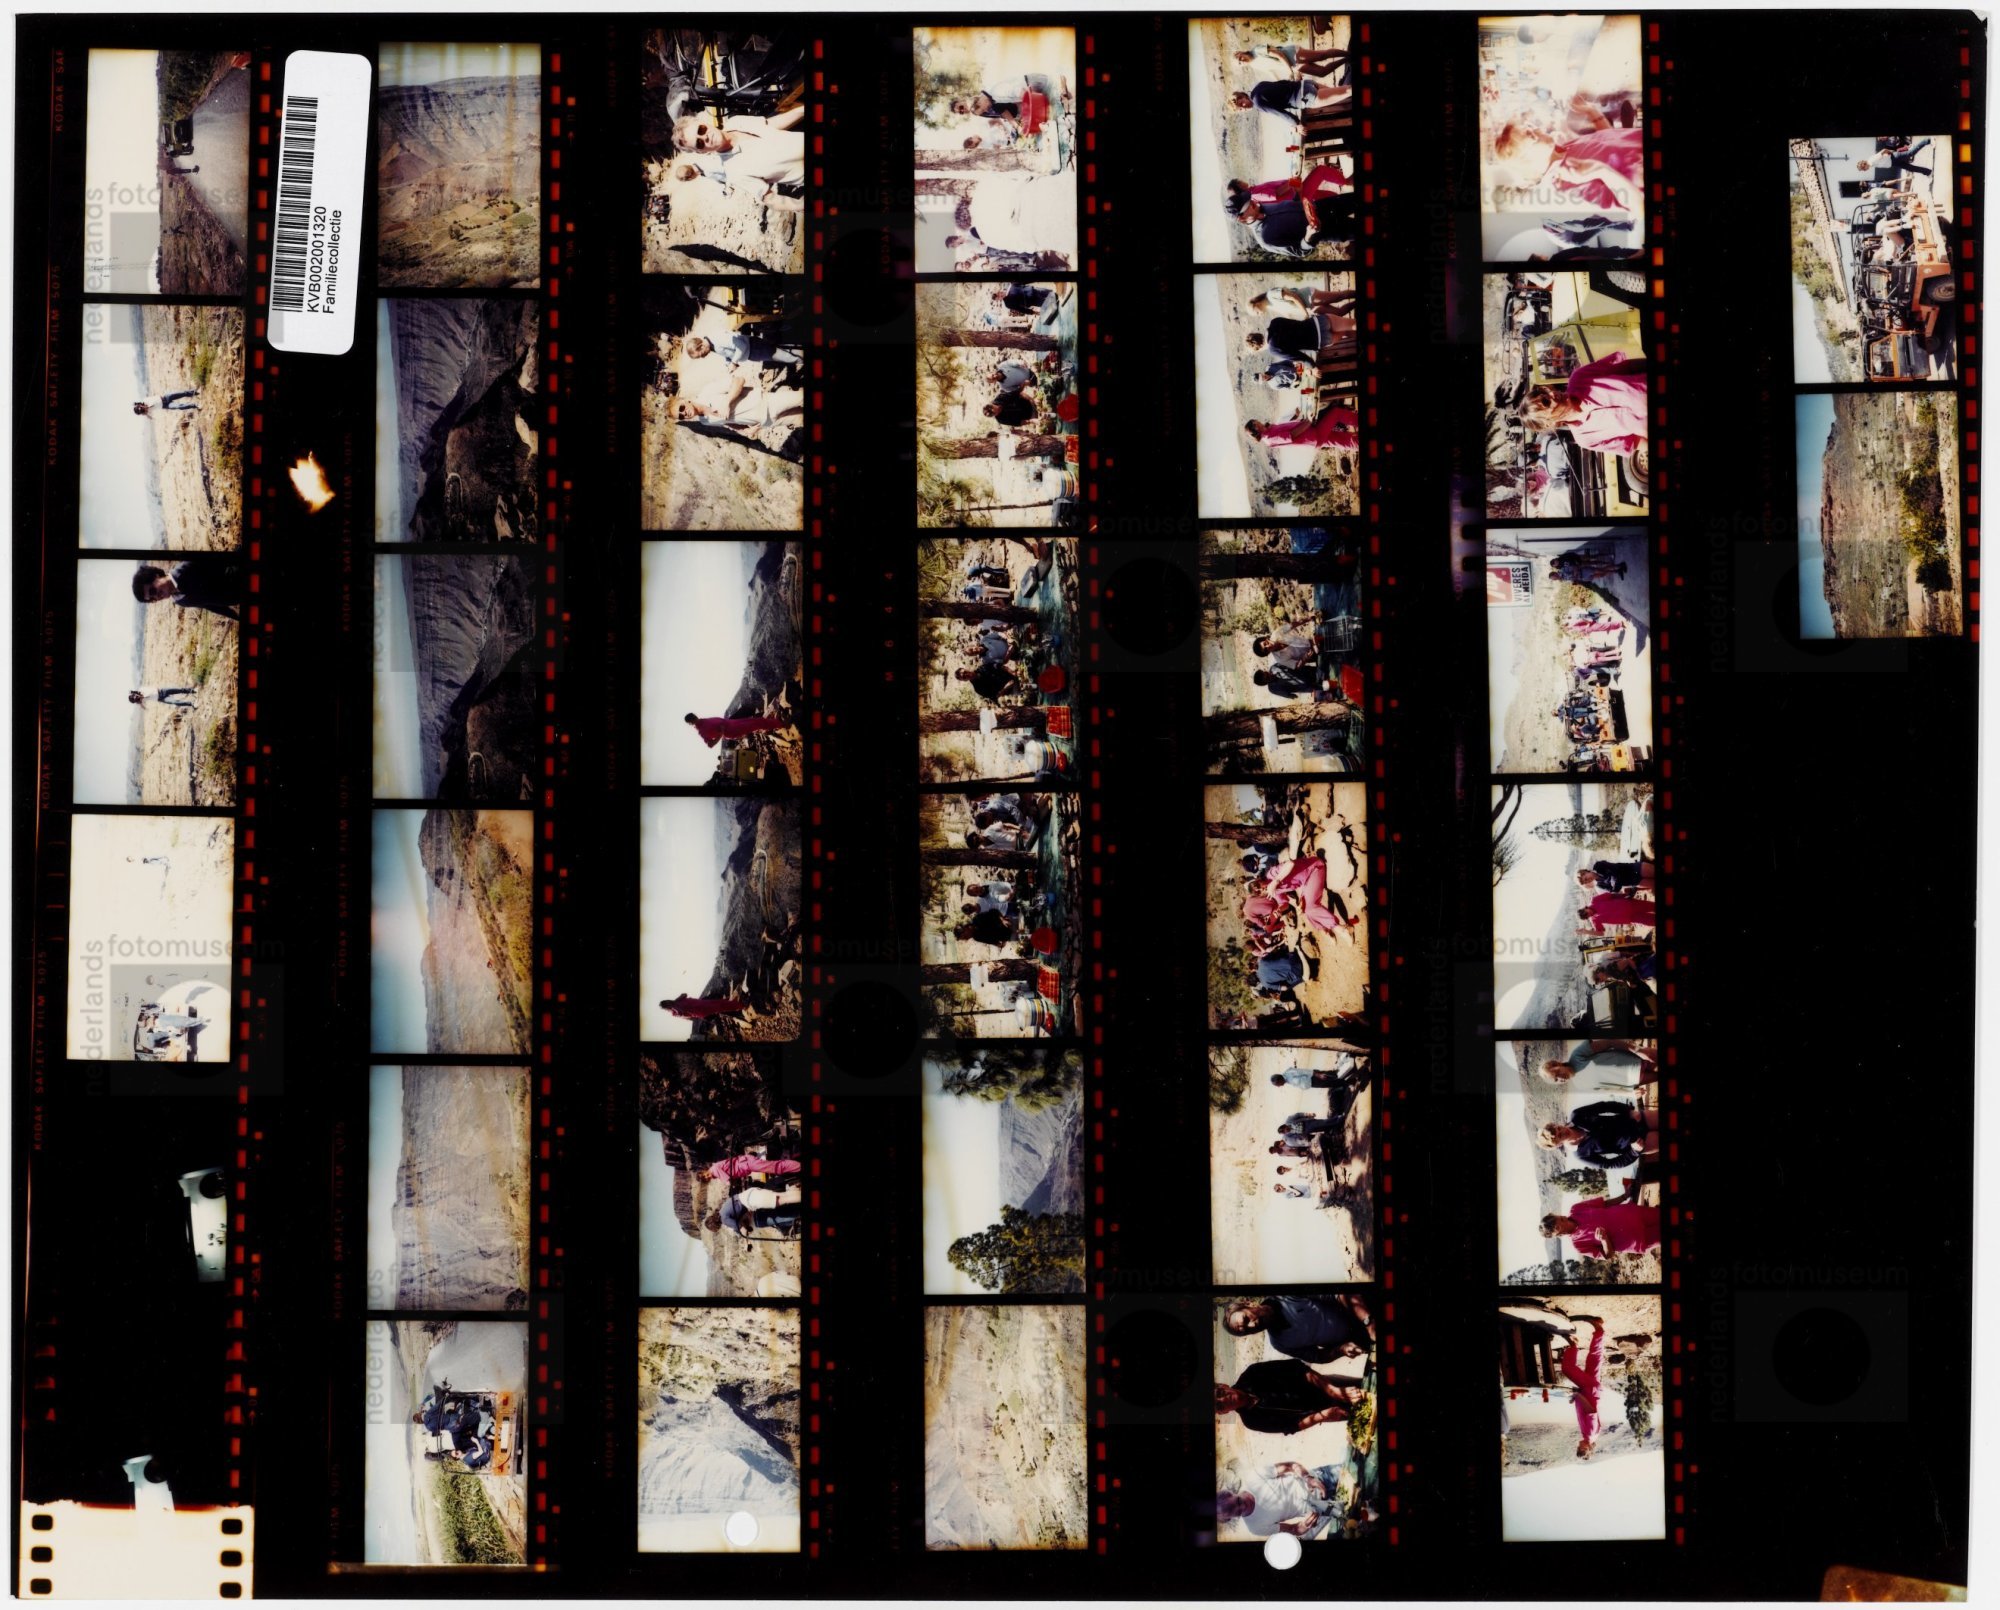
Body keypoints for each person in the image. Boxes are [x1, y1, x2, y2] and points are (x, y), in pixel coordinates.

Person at [1520, 351, 1647, 457]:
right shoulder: (1585, 439)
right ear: (1549, 422)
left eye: (1545, 391)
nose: (1553, 393)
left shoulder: (1579, 377)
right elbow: (1635, 442)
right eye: (1546, 402)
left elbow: (1628, 366)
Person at [672, 106, 806, 205]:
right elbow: (769, 198)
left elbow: (772, 124)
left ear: (705, 122)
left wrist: (802, 110)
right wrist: (799, 205)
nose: (705, 137)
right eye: (699, 143)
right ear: (701, 152)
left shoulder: (735, 122)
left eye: (701, 130)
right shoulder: (734, 172)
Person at [1215, 1357, 1367, 1434]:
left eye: (1220, 1393)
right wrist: (1323, 1416)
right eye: (1220, 1405)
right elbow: (1292, 1426)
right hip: (1325, 1412)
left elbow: (1298, 1368)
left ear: (1223, 1385)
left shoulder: (1252, 1373)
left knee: (1368, 1389)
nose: (1224, 1399)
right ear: (1224, 1412)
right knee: (1368, 1417)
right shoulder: (1251, 1421)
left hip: (1326, 1385)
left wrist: (1333, 1390)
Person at [1224, 1293, 1373, 1363]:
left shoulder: (1285, 1295)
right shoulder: (1279, 1343)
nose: (1252, 1325)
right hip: (1361, 1341)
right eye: (1246, 1330)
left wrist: (1369, 1323)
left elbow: (1340, 1293)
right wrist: (1341, 1350)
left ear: (1248, 1303)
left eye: (1246, 1319)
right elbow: (1318, 1356)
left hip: (1368, 1310)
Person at [1539, 1099, 1650, 1170]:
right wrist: (1634, 1152)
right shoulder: (1581, 1154)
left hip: (1633, 1120)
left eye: (1559, 1128)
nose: (1563, 1131)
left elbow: (1604, 1106)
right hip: (1636, 1142)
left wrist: (1627, 1110)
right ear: (1558, 1144)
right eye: (1560, 1136)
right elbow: (1609, 1164)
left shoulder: (1577, 1116)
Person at [1541, 1195, 1661, 1258]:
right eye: (1557, 1228)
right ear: (1557, 1234)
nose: (1562, 1220)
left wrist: (1624, 1196)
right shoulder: (1579, 1245)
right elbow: (1607, 1255)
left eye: (1558, 1218)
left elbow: (1604, 1204)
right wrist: (1604, 1240)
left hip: (1636, 1213)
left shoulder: (1576, 1208)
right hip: (1638, 1239)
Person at [132, 557, 240, 621]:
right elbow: (211, 605)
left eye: (152, 591)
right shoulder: (180, 600)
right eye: (152, 599)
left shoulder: (186, 566)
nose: (156, 597)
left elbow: (225, 561)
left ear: (155, 575)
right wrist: (236, 617)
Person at [685, 324, 803, 370]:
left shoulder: (717, 339)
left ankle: (802, 361)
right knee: (779, 354)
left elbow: (742, 346)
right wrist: (728, 362)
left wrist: (734, 362)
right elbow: (727, 352)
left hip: (754, 348)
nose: (703, 357)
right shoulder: (712, 346)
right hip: (752, 353)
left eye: (701, 355)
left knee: (781, 356)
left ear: (700, 346)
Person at [1540, 1041, 1654, 1087]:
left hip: (1638, 1060)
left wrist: (1638, 1050)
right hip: (1635, 1079)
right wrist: (1632, 1091)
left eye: (1557, 1073)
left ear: (1558, 1063)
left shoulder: (1577, 1055)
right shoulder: (1580, 1085)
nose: (1560, 1078)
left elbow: (1610, 1042)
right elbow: (1609, 1088)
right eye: (1556, 1080)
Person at [1245, 407, 1360, 452]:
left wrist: (1306, 420)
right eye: (1255, 422)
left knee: (1342, 439)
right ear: (1255, 427)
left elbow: (1291, 427)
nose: (1257, 421)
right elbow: (1292, 435)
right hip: (1314, 435)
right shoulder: (1269, 438)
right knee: (1336, 413)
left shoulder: (1268, 431)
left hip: (1313, 436)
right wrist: (1308, 421)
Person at [685, 711, 788, 747]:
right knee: (756, 723)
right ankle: (782, 724)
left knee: (755, 721)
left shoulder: (702, 721)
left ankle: (775, 723)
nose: (695, 718)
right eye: (692, 719)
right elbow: (710, 745)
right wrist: (720, 734)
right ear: (691, 723)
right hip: (731, 730)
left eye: (694, 716)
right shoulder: (701, 732)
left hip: (732, 723)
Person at [1577, 889, 1655, 932]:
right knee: (1652, 921)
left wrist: (1625, 895)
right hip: (1630, 917)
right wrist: (1586, 932)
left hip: (1629, 904)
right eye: (1587, 916)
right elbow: (1601, 933)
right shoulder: (1595, 920)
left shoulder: (1595, 900)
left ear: (1585, 908)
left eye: (1586, 913)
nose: (1589, 915)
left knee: (1653, 906)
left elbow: (1611, 896)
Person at [661, 993, 750, 1020]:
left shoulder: (677, 1000)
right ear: (667, 1008)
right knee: (720, 1007)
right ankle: (741, 1006)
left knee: (719, 1002)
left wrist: (676, 1000)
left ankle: (737, 1003)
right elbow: (683, 1014)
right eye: (666, 1004)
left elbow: (684, 994)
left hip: (702, 1003)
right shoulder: (674, 1012)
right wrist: (674, 1006)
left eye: (667, 1001)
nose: (668, 1003)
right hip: (701, 1010)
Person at [133, 389, 199, 415]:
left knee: (182, 393)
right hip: (166, 405)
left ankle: (194, 392)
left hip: (166, 397)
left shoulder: (145, 400)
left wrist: (142, 406)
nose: (142, 408)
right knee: (179, 406)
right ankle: (194, 405)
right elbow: (147, 413)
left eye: (141, 407)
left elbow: (148, 403)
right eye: (141, 410)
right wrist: (145, 410)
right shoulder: (147, 411)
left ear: (140, 405)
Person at [130, 685, 197, 708]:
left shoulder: (141, 689)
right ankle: (191, 704)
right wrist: (140, 701)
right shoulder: (141, 700)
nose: (137, 697)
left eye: (135, 696)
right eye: (136, 699)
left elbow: (147, 693)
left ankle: (192, 691)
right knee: (175, 702)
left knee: (179, 690)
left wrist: (140, 696)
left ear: (135, 694)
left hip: (162, 691)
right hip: (161, 698)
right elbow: (142, 706)